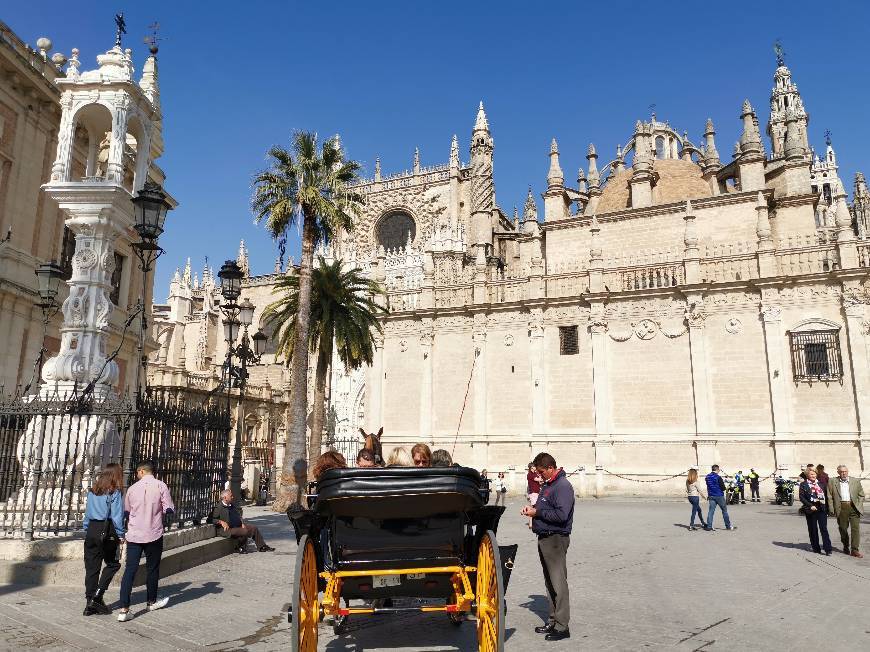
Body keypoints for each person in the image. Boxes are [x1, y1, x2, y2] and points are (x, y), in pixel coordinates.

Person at [521, 452, 573, 642]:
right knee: (550, 582)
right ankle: (553, 620)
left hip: (556, 539)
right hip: (545, 537)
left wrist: (537, 512)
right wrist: (533, 513)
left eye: (542, 472)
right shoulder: (549, 484)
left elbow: (562, 515)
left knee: (558, 582)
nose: (539, 476)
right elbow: (545, 509)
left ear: (551, 468)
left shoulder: (562, 486)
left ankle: (562, 626)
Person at [117, 462, 175, 622]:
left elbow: (127, 511)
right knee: (152, 569)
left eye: (137, 472)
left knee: (130, 570)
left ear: (142, 471)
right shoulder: (161, 486)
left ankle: (124, 609)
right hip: (153, 533)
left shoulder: (132, 489)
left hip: (134, 534)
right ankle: (151, 601)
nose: (136, 474)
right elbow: (169, 509)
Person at [82, 463, 125, 616]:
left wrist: (86, 527)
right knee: (113, 564)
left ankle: (89, 604)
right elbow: (117, 515)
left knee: (92, 567)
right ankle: (97, 596)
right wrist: (120, 534)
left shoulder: (93, 491)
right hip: (106, 530)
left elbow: (87, 513)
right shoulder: (114, 492)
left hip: (92, 529)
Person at [211, 489, 275, 554]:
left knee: (253, 528)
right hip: (226, 529)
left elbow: (238, 516)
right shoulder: (218, 507)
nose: (232, 497)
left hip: (237, 526)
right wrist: (221, 522)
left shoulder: (231, 505)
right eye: (231, 496)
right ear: (225, 498)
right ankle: (239, 547)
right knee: (244, 531)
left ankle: (262, 546)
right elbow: (212, 519)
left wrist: (242, 523)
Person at [827, 465, 865, 558]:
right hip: (841, 507)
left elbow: (861, 494)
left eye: (845, 471)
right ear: (838, 472)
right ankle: (845, 545)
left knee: (855, 529)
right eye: (841, 472)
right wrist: (831, 509)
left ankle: (855, 550)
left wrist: (859, 504)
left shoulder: (855, 481)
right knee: (843, 529)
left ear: (848, 472)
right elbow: (829, 496)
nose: (843, 473)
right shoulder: (832, 481)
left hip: (854, 507)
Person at [798, 468, 832, 555]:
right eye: (811, 474)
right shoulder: (803, 484)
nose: (813, 476)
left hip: (821, 508)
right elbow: (802, 497)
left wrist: (827, 508)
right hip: (811, 509)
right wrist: (810, 505)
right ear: (807, 476)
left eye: (814, 474)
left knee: (823, 529)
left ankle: (828, 549)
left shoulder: (821, 484)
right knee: (813, 529)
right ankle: (816, 548)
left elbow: (826, 496)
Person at [704, 465, 737, 531]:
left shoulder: (707, 477)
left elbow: (709, 486)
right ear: (717, 469)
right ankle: (728, 526)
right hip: (719, 495)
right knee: (724, 511)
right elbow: (723, 488)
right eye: (718, 470)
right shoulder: (718, 477)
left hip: (711, 495)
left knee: (711, 511)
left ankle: (709, 526)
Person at [526, 463, 542, 529]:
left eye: (534, 467)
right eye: (533, 467)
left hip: (537, 492)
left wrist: (540, 477)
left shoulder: (535, 474)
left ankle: (532, 523)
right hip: (533, 493)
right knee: (533, 507)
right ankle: (531, 524)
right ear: (530, 468)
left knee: (535, 507)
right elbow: (537, 480)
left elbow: (540, 482)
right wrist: (540, 477)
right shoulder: (530, 474)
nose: (534, 468)